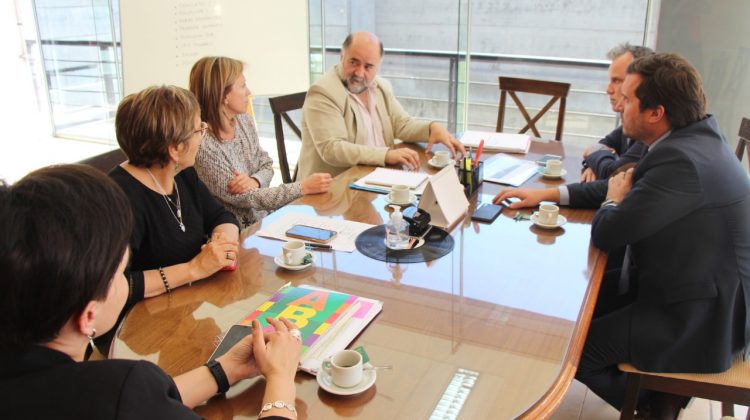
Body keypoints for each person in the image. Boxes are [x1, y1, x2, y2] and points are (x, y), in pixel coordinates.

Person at [515, 53, 750, 417]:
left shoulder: (680, 161)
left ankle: (654, 406)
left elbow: (610, 231)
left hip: (700, 316)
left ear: (656, 112)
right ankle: (655, 394)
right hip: (692, 286)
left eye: (627, 100)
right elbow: (625, 188)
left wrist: (611, 202)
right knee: (571, 308)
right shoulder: (691, 139)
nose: (618, 107)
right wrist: (551, 194)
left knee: (579, 348)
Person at [0, 164, 301, 419]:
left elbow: (144, 405)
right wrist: (280, 380)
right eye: (121, 274)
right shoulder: (119, 388)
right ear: (88, 315)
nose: (124, 281)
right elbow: (126, 402)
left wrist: (226, 370)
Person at [298, 31, 466, 179]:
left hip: (375, 177)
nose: (359, 72)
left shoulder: (380, 87)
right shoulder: (323, 92)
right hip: (333, 192)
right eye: (353, 62)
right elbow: (332, 149)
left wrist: (431, 128)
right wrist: (386, 155)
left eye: (368, 66)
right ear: (342, 56)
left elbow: (402, 124)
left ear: (378, 66)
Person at [190, 56, 332, 228]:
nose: (249, 92)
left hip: (267, 220)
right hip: (238, 233)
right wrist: (302, 187)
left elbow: (266, 164)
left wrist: (255, 180)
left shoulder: (243, 120)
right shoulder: (204, 147)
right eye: (242, 85)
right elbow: (248, 198)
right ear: (223, 95)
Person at [580, 43, 653, 183]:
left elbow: (611, 172)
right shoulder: (628, 119)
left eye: (617, 81)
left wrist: (595, 157)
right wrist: (592, 165)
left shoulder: (646, 125)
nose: (609, 89)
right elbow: (605, 143)